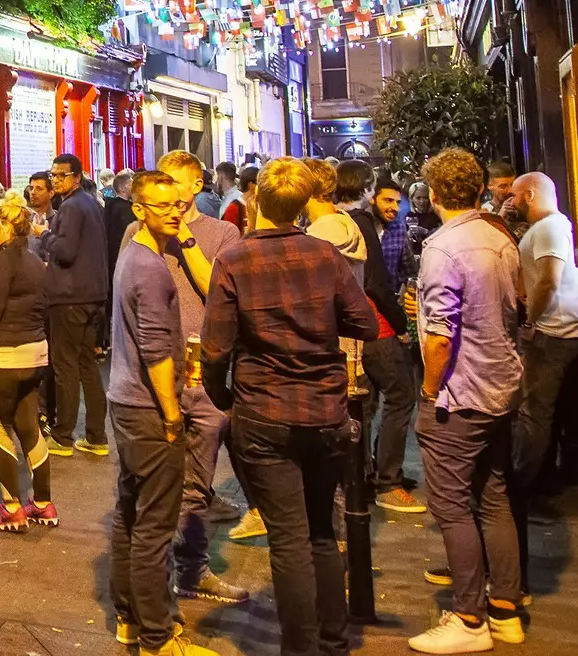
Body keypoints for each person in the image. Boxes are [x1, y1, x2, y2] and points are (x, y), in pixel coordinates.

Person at [202, 159, 378, 656]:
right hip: (323, 410)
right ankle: (333, 641)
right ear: (301, 205)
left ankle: (300, 647)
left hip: (264, 411)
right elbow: (364, 323)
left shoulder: (234, 261)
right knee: (321, 529)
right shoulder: (323, 255)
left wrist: (227, 402)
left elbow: (215, 350)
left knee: (289, 538)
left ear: (256, 199)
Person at [409, 148, 527, 654]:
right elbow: (519, 303)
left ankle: (469, 618)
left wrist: (429, 390)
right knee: (494, 496)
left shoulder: (444, 248)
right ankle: (505, 609)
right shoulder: (499, 238)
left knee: (452, 506)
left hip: (459, 394)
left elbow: (441, 335)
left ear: (434, 195)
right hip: (501, 384)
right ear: (481, 189)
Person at [152, 151, 250, 604]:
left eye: (174, 182)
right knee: (152, 482)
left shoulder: (223, 232)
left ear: (196, 186)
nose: (167, 193)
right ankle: (152, 575)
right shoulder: (141, 232)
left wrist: (186, 238)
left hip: (204, 374)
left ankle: (192, 570)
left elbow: (217, 290)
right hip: (156, 374)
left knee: (197, 484)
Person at [106, 171, 198, 656]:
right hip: (146, 407)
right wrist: (171, 414)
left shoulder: (135, 256)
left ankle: (129, 619)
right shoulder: (151, 268)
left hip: (124, 401)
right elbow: (156, 349)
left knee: (130, 513)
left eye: (178, 204)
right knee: (154, 527)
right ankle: (157, 638)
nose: (175, 212)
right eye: (163, 206)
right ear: (139, 210)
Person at [0, 191, 55, 533]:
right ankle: (43, 503)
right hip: (35, 353)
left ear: (7, 225)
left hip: (2, 356)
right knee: (29, 427)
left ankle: (12, 508)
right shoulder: (34, 260)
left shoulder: (4, 262)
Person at [509, 172, 578, 489]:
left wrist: (531, 321)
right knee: (537, 412)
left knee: (534, 413)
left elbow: (548, 279)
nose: (510, 202)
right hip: (552, 332)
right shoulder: (547, 228)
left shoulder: (549, 228)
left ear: (530, 194)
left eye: (514, 195)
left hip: (551, 335)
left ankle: (522, 487)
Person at [353, 170, 424, 513]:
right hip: (376, 326)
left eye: (398, 201)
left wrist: (410, 290)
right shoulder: (359, 224)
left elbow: (406, 270)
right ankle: (386, 480)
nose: (394, 207)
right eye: (387, 200)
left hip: (376, 321)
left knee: (371, 403)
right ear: (370, 196)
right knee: (399, 396)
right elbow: (375, 283)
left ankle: (375, 474)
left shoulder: (396, 230)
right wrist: (400, 324)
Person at [39, 154, 110, 457]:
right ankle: (96, 436)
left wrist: (43, 235)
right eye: (53, 175)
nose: (56, 180)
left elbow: (65, 251)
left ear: (77, 177)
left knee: (65, 366)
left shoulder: (69, 207)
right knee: (87, 366)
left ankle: (63, 435)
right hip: (93, 295)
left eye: (62, 175)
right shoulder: (91, 204)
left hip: (69, 297)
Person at [222, 165, 259, 233]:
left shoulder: (260, 206)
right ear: (251, 185)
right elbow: (228, 237)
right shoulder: (233, 209)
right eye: (259, 183)